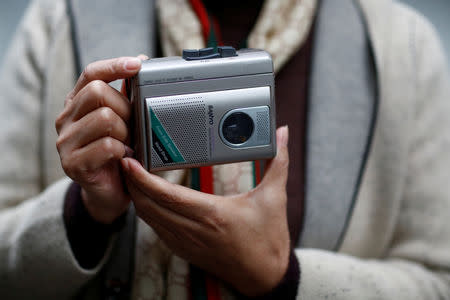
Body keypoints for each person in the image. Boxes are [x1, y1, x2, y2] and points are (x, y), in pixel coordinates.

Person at [0, 0, 449, 299]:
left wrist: (281, 276)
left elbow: (437, 282)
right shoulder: (60, 21)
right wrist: (84, 212)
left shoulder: (401, 48)